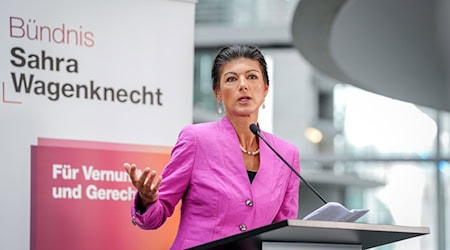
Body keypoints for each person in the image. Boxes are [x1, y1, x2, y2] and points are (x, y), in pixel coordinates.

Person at [124, 44, 300, 250]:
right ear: (218, 92)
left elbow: (282, 234)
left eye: (252, 77)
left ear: (265, 89)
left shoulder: (287, 154)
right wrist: (147, 200)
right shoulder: (195, 139)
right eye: (231, 79)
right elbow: (155, 216)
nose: (243, 85)